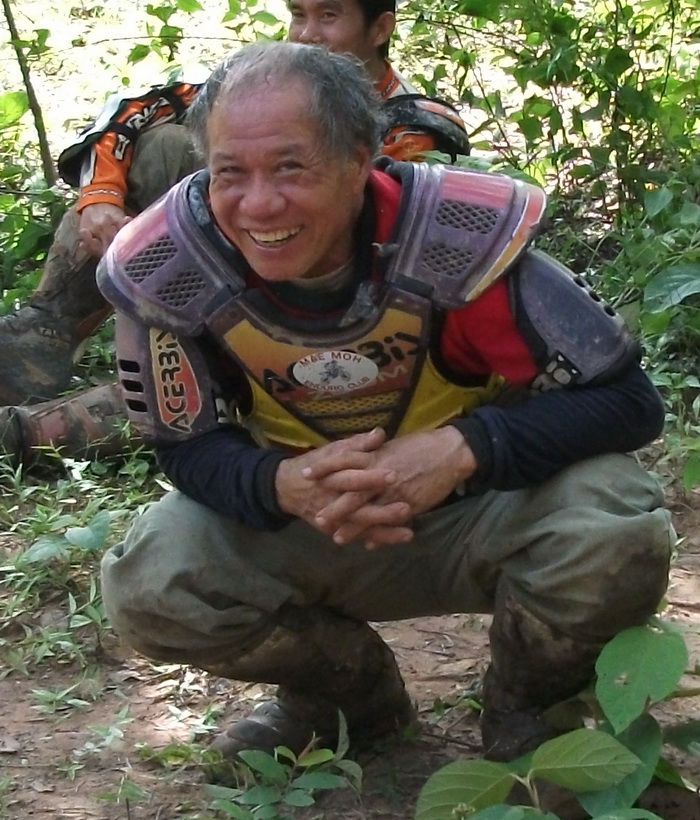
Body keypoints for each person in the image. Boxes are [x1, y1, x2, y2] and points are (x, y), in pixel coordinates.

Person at [96, 40, 674, 808]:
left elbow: (627, 400)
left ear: (359, 156)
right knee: (152, 579)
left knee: (614, 523)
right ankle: (348, 699)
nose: (258, 205)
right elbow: (186, 445)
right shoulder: (172, 266)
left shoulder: (458, 239)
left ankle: (529, 707)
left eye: (291, 168)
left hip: (485, 512)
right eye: (230, 172)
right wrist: (280, 484)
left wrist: (463, 449)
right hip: (312, 525)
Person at [0, 0, 471, 468]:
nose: (307, 33)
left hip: (329, 329)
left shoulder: (414, 126)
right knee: (162, 146)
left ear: (379, 28)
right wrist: (101, 195)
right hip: (216, 271)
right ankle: (42, 335)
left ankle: (24, 433)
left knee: (185, 387)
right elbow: (133, 111)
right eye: (298, 15)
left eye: (328, 16)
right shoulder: (262, 90)